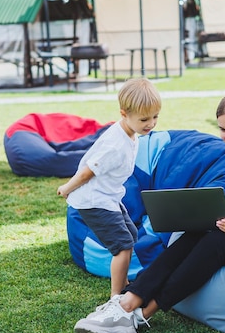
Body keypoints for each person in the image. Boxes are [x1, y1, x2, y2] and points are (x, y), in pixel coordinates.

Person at [74, 89, 225, 333]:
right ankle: (127, 301)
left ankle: (140, 315)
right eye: (223, 129)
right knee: (194, 234)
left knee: (215, 243)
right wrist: (216, 218)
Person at [57, 77, 161, 300]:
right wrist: (67, 187)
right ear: (124, 113)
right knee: (123, 247)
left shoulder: (130, 133)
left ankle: (124, 284)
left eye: (155, 117)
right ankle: (117, 296)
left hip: (109, 197)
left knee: (131, 235)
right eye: (144, 119)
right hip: (94, 201)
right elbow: (87, 172)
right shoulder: (116, 145)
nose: (151, 124)